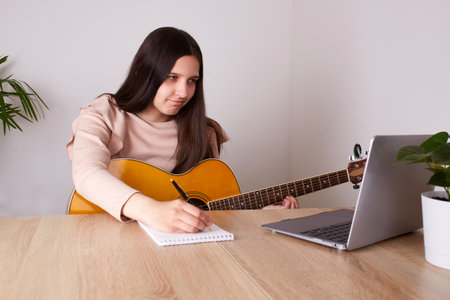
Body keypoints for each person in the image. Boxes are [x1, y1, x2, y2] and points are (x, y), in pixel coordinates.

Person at [67, 27, 298, 233]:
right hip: (113, 239)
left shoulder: (204, 130)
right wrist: (152, 210)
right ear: (143, 72)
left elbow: (213, 208)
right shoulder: (102, 113)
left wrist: (258, 213)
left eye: (192, 80)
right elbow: (87, 174)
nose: (183, 92)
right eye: (172, 77)